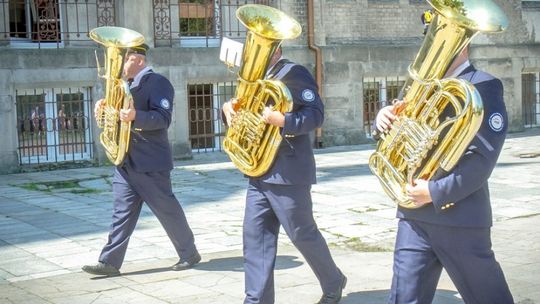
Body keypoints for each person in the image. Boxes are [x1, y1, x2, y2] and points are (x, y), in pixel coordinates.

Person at [374, 46, 514, 303]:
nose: (430, 49)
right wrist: (384, 120)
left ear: (461, 46)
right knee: (404, 297)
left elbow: (483, 160)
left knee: (488, 297)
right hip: (413, 214)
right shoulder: (422, 84)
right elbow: (399, 137)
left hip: (459, 215)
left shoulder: (484, 85)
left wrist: (434, 192)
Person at [222, 46, 347, 304]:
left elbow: (315, 115)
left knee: (302, 234)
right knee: (255, 238)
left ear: (275, 50)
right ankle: (256, 300)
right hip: (259, 171)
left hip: (288, 172)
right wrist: (228, 111)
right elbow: (245, 114)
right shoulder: (254, 79)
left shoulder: (294, 73)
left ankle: (333, 280)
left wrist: (284, 120)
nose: (251, 53)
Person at [82, 42, 200, 276]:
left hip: (150, 163)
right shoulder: (123, 86)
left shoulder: (158, 83)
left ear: (139, 60)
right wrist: (103, 109)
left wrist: (136, 116)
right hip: (125, 161)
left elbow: (162, 118)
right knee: (121, 213)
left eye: (124, 58)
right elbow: (116, 118)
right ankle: (109, 262)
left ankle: (189, 253)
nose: (119, 64)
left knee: (167, 210)